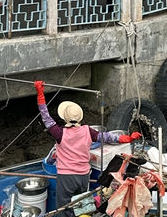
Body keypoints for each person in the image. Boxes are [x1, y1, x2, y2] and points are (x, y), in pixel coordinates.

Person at [34, 80, 140, 208]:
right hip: (83, 176)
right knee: (81, 206)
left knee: (63, 207)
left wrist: (40, 94)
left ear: (64, 118)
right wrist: (128, 138)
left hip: (66, 177)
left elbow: (46, 117)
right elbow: (108, 137)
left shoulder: (59, 133)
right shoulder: (88, 131)